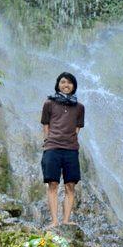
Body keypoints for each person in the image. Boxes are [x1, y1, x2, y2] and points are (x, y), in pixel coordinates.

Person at [40, 72, 85, 227]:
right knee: (52, 184)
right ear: (58, 84)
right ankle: (54, 221)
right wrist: (47, 140)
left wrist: (70, 138)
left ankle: (66, 220)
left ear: (74, 86)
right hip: (52, 147)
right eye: (63, 82)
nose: (66, 85)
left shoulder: (79, 107)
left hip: (71, 149)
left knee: (70, 185)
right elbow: (46, 124)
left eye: (70, 83)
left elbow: (78, 126)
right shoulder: (49, 103)